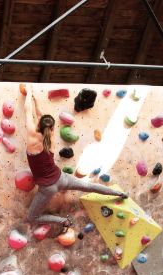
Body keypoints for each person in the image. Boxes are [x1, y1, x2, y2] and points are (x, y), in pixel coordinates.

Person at [23, 84, 128, 234]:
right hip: (61, 178)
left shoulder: (32, 136)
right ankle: (119, 194)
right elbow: (40, 115)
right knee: (88, 186)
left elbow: (28, 112)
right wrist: (35, 99)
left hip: (48, 188)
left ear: (39, 124)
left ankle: (63, 221)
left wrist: (28, 93)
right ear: (51, 128)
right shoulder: (51, 137)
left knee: (32, 217)